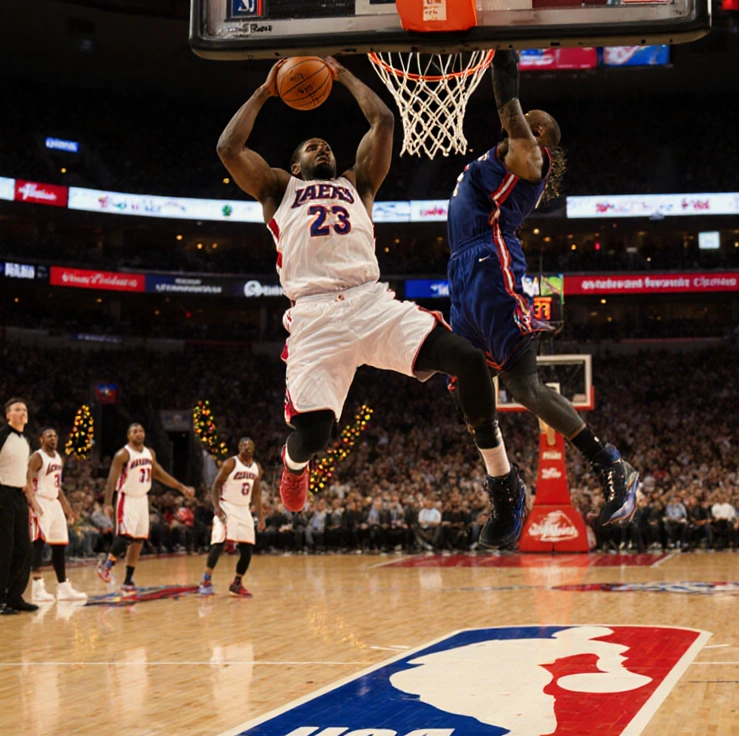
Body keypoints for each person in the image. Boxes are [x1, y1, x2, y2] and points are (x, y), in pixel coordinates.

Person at [217, 56, 529, 550]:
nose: (320, 146)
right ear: (295, 165)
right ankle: (294, 464)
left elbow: (384, 120)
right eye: (310, 146)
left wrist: (343, 76)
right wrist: (265, 89)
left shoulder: (357, 183)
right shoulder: (279, 189)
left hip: (370, 302)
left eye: (325, 144)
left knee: (468, 360)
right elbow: (229, 147)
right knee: (316, 435)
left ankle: (505, 486)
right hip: (315, 318)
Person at [445, 49, 637, 527]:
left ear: (543, 137)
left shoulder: (532, 155)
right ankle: (507, 483)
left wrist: (500, 52)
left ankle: (609, 463)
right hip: (462, 269)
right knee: (465, 384)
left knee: (524, 385)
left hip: (491, 262)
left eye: (532, 123)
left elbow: (509, 105)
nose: (522, 123)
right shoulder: (505, 155)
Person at [96, 423, 195, 593]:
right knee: (125, 535)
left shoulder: (150, 454)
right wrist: (107, 502)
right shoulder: (123, 454)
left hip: (142, 499)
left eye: (141, 430)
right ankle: (106, 566)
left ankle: (128, 579)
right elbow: (112, 480)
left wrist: (181, 487)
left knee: (138, 540)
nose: (139, 433)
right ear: (129, 436)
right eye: (135, 431)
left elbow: (159, 473)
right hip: (126, 498)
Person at [0, 398, 40, 615]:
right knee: (3, 549)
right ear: (8, 415)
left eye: (24, 409)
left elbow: (23, 474)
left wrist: (32, 500)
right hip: (2, 494)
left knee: (24, 548)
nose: (22, 412)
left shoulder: (25, 440)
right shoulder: (0, 436)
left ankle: (14, 597)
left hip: (19, 496)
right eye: (17, 409)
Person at [26, 428, 86, 602]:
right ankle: (37, 587)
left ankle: (63, 587)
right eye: (48, 435)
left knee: (60, 544)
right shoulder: (37, 457)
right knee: (38, 543)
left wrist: (67, 508)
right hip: (40, 500)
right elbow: (27, 479)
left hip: (54, 502)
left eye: (54, 435)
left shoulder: (58, 458)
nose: (52, 438)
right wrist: (33, 502)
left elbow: (57, 486)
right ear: (41, 439)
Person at [200, 438, 262, 598]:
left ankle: (237, 583)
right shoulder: (230, 463)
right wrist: (217, 507)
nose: (246, 447)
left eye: (249, 444)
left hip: (244, 509)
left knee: (247, 549)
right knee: (219, 542)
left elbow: (256, 493)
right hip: (227, 506)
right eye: (242, 445)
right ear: (238, 448)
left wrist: (260, 517)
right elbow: (215, 485)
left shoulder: (256, 468)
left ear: (254, 448)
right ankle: (206, 579)